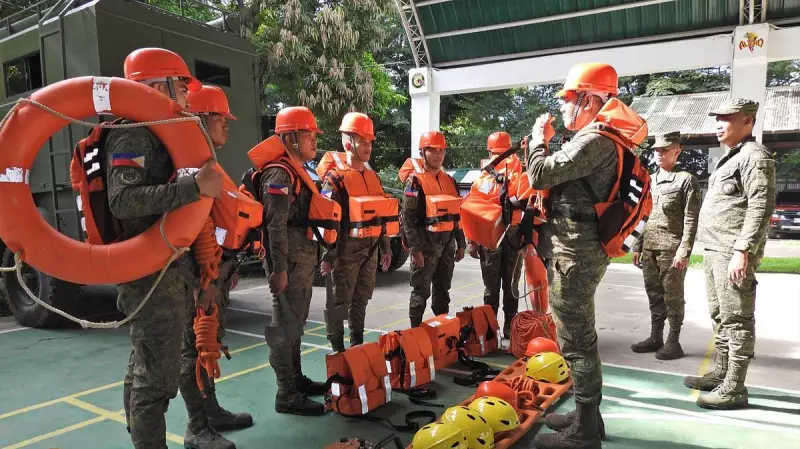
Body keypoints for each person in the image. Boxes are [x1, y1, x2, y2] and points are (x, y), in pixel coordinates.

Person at [523, 62, 648, 449]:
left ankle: (586, 432)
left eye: (568, 100)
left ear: (590, 100)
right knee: (578, 337)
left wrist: (537, 139)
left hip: (575, 254)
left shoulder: (596, 140)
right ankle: (585, 417)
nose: (562, 109)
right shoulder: (602, 139)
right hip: (578, 248)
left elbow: (541, 174)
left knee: (577, 341)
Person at [108, 48, 223, 449]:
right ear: (157, 86)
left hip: (169, 272)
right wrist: (192, 188)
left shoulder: (161, 136)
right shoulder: (132, 134)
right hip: (149, 276)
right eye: (182, 86)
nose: (189, 97)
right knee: (153, 383)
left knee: (145, 368)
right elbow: (122, 200)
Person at [684, 98, 776, 410]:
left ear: (748, 121)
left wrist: (742, 250)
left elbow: (760, 207)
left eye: (727, 118)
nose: (719, 124)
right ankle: (722, 373)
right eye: (718, 118)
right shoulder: (733, 157)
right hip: (715, 250)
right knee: (720, 316)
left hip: (732, 252)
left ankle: (735, 388)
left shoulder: (754, 157)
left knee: (737, 320)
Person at [177, 84, 253, 444]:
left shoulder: (210, 165)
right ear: (200, 120)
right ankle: (197, 427)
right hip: (196, 275)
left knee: (208, 344)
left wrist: (228, 266)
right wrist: (205, 279)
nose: (227, 126)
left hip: (215, 272)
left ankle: (212, 412)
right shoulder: (190, 166)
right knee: (193, 348)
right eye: (220, 119)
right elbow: (197, 226)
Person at [256, 106, 329, 415]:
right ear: (289, 137)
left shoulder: (301, 170)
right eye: (307, 134)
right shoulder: (279, 173)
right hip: (289, 265)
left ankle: (296, 380)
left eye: (313, 134)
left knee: (295, 325)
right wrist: (278, 269)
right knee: (284, 328)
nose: (313, 140)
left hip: (302, 262)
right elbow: (274, 225)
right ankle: (286, 394)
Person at [317, 112, 393, 352]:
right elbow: (327, 222)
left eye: (370, 142)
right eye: (363, 141)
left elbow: (380, 214)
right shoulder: (334, 179)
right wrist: (328, 257)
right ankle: (338, 351)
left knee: (361, 301)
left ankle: (357, 346)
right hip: (344, 253)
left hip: (370, 251)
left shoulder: (373, 177)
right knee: (340, 303)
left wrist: (385, 247)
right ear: (348, 142)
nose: (368, 147)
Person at [630, 131, 700, 360]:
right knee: (654, 295)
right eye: (656, 150)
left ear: (677, 151)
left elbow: (691, 219)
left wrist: (684, 250)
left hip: (672, 249)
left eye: (664, 149)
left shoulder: (685, 180)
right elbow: (643, 215)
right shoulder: (650, 180)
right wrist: (638, 245)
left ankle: (673, 341)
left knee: (673, 297)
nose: (659, 154)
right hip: (650, 247)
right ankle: (656, 336)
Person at [398, 131, 466, 327]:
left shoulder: (450, 181)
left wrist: (461, 244)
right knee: (420, 292)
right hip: (425, 246)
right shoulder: (414, 182)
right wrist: (415, 250)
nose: (438, 155)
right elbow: (408, 219)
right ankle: (415, 333)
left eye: (441, 151)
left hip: (447, 246)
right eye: (433, 150)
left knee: (443, 290)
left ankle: (442, 330)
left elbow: (456, 214)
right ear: (422, 152)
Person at [465, 131, 526, 338]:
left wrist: (471, 241)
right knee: (510, 286)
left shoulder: (482, 178)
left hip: (493, 235)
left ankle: (491, 329)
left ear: (489, 150)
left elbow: (471, 210)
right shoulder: (521, 173)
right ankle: (508, 327)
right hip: (513, 235)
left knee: (492, 287)